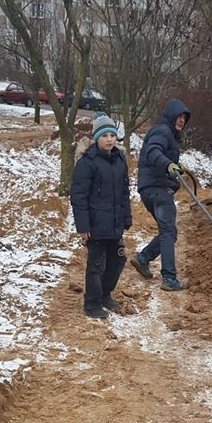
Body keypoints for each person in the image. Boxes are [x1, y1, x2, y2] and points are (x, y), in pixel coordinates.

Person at [70, 113, 132, 319]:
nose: (109, 139)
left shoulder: (119, 160)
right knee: (96, 265)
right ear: (96, 138)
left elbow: (124, 192)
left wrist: (126, 217)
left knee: (118, 261)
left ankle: (105, 294)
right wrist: (83, 227)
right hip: (96, 225)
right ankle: (92, 303)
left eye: (112, 135)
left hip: (114, 224)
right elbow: (78, 196)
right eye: (104, 135)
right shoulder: (88, 162)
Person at [131, 97, 190, 291]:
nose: (181, 120)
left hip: (150, 188)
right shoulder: (163, 131)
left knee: (170, 232)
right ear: (170, 115)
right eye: (179, 116)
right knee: (168, 232)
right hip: (158, 189)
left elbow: (159, 155)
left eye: (184, 118)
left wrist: (174, 165)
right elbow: (153, 152)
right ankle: (169, 278)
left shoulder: (167, 134)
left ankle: (143, 258)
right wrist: (168, 164)